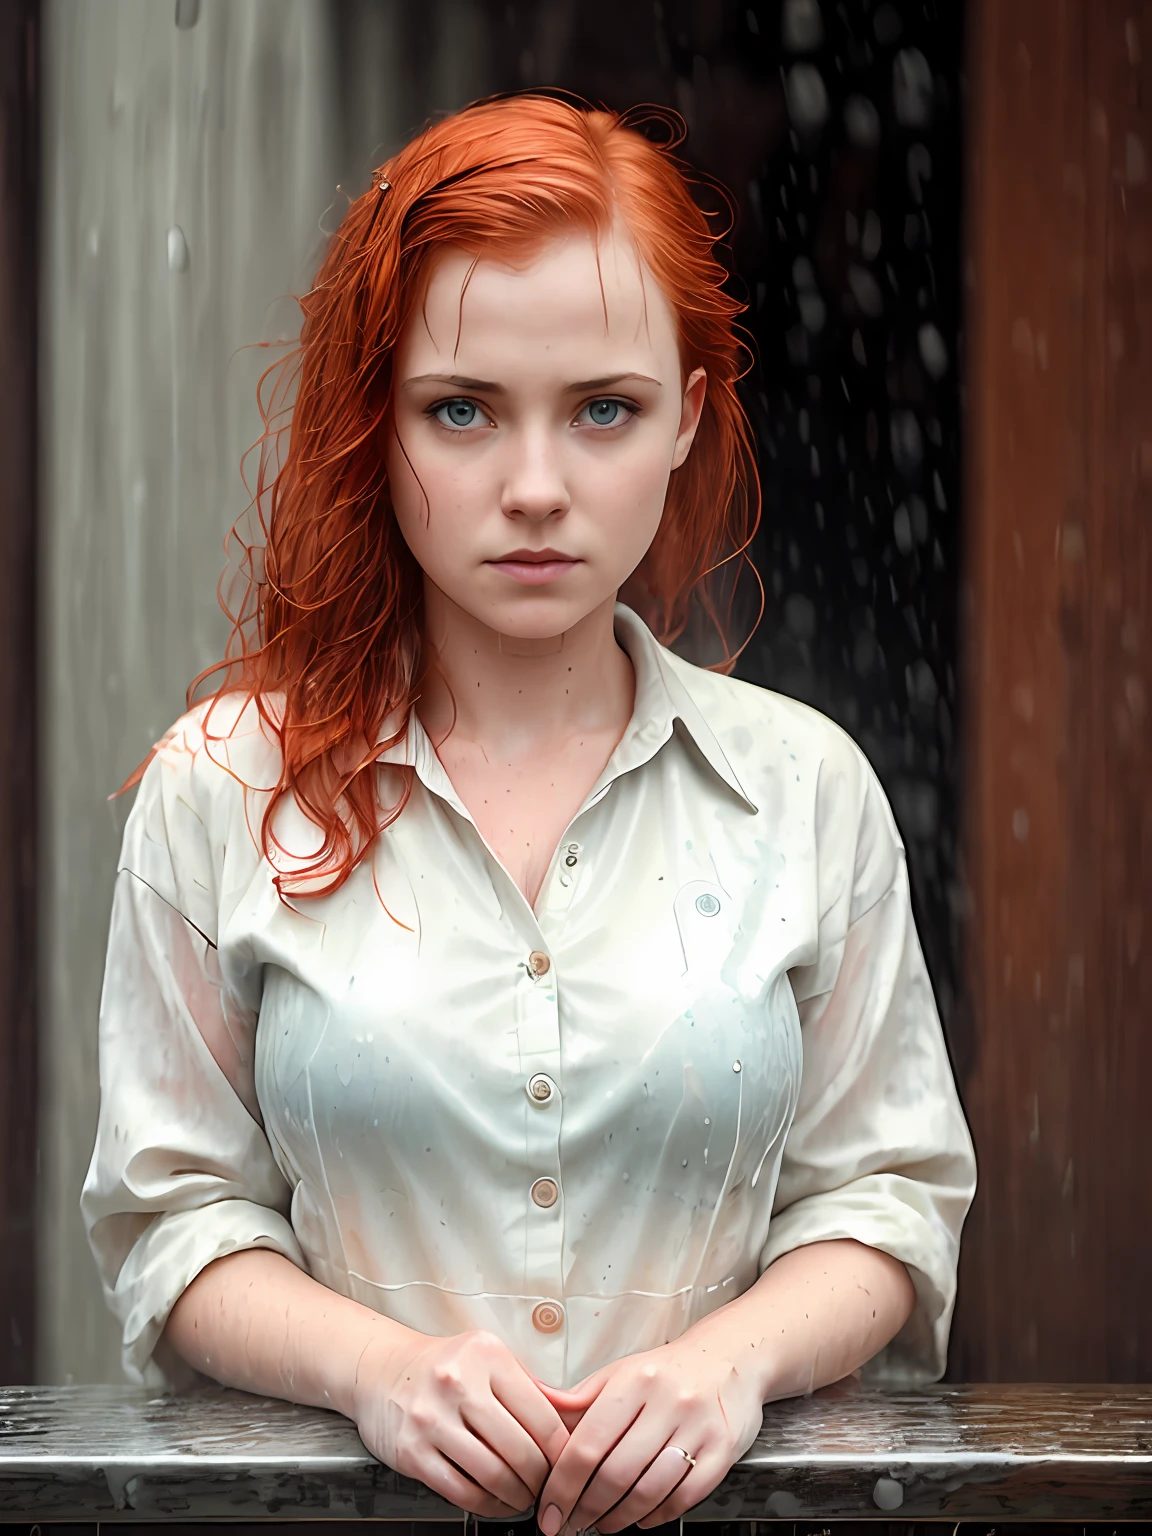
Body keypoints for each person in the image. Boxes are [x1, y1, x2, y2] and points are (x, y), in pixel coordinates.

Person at [81, 93, 976, 1536]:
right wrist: (380, 1374)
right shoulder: (220, 791)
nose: (537, 489)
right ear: (372, 423)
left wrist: (724, 1368)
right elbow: (171, 1218)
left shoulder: (804, 789)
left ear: (689, 415)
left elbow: (885, 1199)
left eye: (604, 410)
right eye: (462, 411)